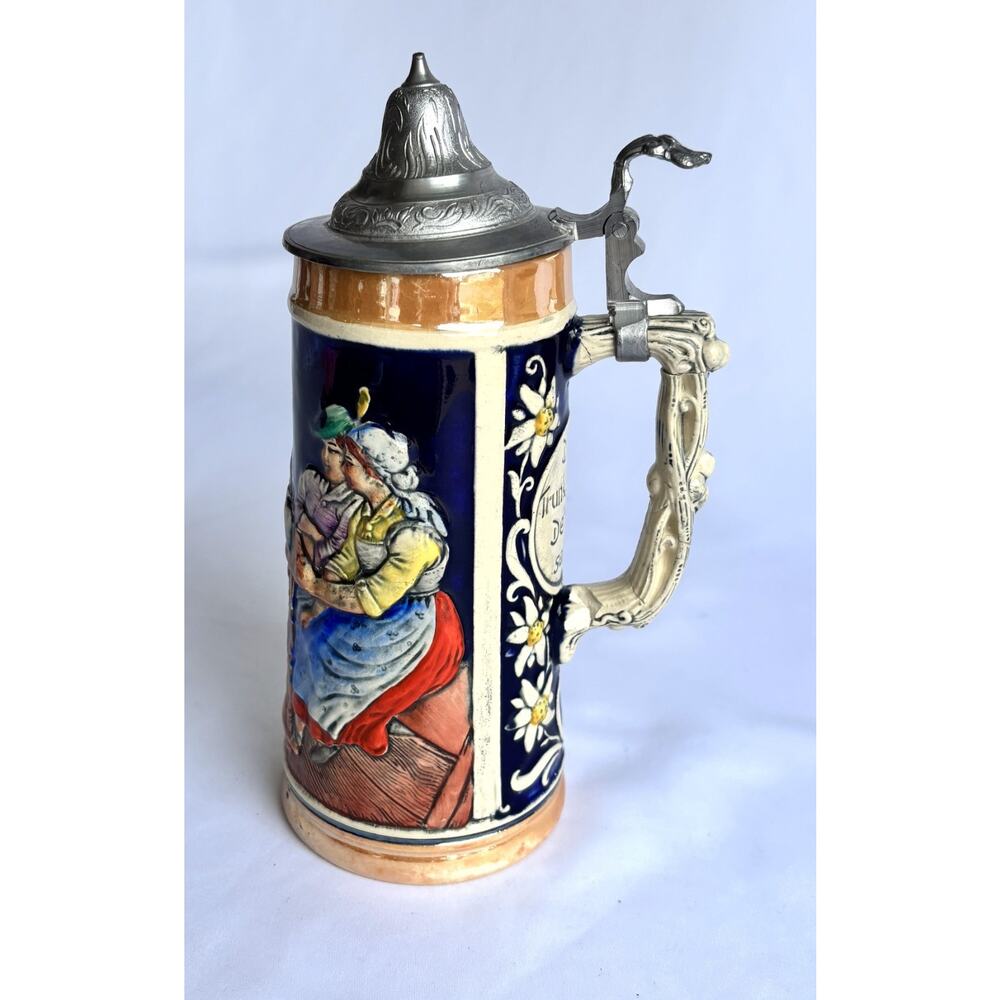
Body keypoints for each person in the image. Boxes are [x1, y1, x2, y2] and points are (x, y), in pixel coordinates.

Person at [289, 421, 464, 760]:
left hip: (409, 623)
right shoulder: (367, 516)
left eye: (349, 462)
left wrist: (314, 585)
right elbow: (347, 565)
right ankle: (309, 726)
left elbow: (370, 598)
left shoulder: (412, 535)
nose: (342, 467)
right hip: (370, 611)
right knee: (313, 642)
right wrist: (317, 603)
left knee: (345, 671)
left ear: (373, 472)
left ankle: (339, 734)